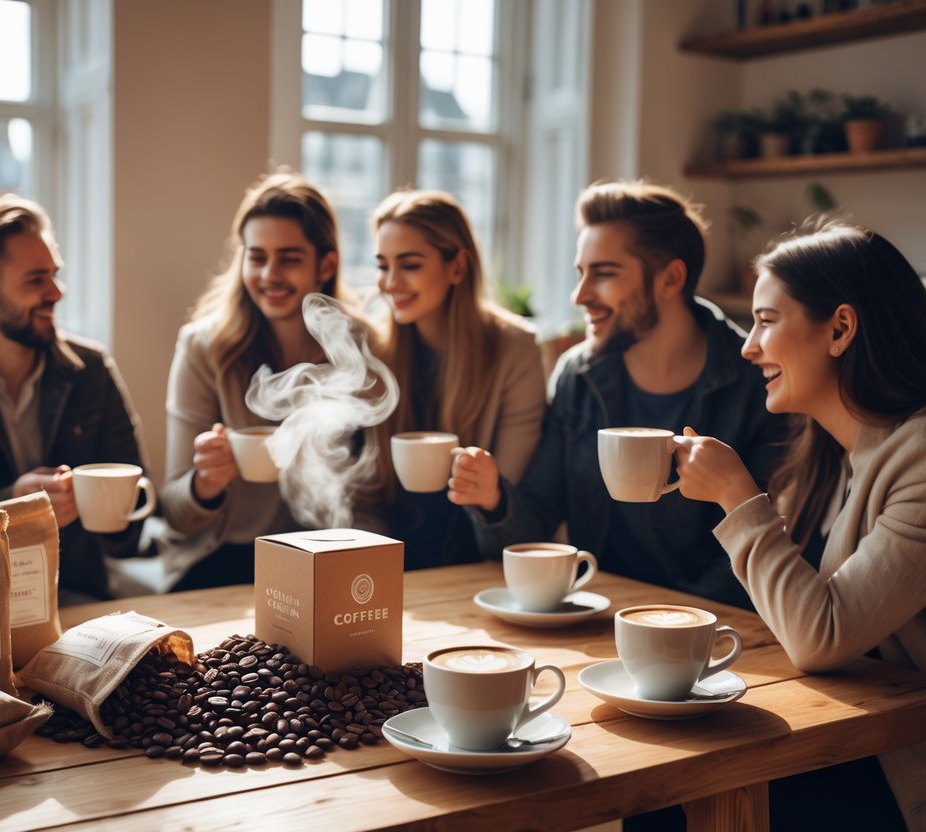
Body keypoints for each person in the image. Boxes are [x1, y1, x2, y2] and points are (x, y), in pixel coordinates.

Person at [673, 221, 925, 831]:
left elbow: (821, 636)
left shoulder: (920, 459)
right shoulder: (827, 458)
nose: (747, 346)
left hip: (898, 767)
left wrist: (736, 497)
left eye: (765, 320)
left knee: (681, 791)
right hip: (849, 739)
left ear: (840, 328)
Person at [476, 180, 786, 608]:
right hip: (601, 617)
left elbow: (775, 534)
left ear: (671, 278)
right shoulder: (577, 375)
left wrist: (677, 624)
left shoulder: (756, 381)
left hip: (711, 629)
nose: (579, 295)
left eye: (603, 274)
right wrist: (494, 500)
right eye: (580, 273)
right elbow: (538, 522)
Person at [0, 194, 148, 604]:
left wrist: (106, 507)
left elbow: (130, 535)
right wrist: (10, 507)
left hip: (78, 596)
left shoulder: (90, 370)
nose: (57, 292)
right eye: (35, 280)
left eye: (55, 275)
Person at [160, 171, 368, 591]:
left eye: (290, 258)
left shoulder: (361, 345)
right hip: (223, 559)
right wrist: (205, 484)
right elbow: (176, 512)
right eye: (257, 257)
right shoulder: (203, 347)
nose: (270, 274)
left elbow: (376, 491)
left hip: (328, 554)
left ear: (325, 266)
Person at [371, 189, 546, 569]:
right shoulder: (373, 352)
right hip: (380, 569)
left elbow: (515, 507)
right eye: (382, 265)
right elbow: (359, 495)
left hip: (473, 567)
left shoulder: (515, 351)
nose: (390, 282)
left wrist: (491, 492)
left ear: (457, 267)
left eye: (410, 265)